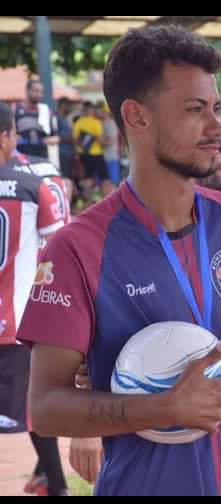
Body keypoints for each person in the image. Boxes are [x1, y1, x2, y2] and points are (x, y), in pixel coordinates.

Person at [16, 25, 221, 496]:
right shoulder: (78, 248)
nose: (217, 130)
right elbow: (47, 406)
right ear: (137, 117)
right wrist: (161, 407)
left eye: (214, 108)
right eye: (196, 110)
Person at [0, 102, 69, 496]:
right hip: (20, 320)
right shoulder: (32, 185)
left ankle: (48, 479)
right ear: (7, 136)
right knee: (37, 410)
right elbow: (56, 248)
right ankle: (55, 485)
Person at [73, 102, 114, 200]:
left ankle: (87, 203)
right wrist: (107, 142)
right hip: (96, 154)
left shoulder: (79, 122)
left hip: (83, 154)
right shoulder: (96, 122)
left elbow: (75, 140)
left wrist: (77, 153)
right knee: (105, 178)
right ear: (91, 110)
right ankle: (107, 200)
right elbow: (100, 140)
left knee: (87, 178)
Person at [14, 79, 59, 161]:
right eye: (36, 91)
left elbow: (54, 136)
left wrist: (51, 140)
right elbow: (8, 134)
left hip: (41, 157)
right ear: (27, 91)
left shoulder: (45, 111)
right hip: (21, 157)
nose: (39, 95)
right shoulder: (15, 110)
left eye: (41, 92)